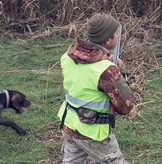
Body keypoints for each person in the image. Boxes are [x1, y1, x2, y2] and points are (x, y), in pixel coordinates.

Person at [57, 13, 135, 164]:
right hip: (93, 132)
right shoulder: (107, 71)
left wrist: (107, 61)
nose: (118, 35)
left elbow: (84, 77)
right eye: (116, 33)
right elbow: (126, 106)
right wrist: (115, 73)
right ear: (107, 40)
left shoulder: (67, 56)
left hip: (69, 124)